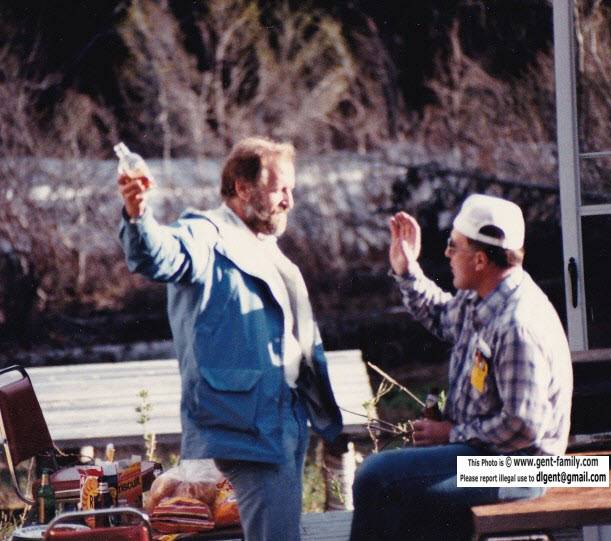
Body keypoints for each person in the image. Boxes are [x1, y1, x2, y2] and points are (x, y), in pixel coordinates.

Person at [118, 136, 342, 540]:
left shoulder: (264, 245)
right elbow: (159, 255)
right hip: (247, 430)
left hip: (286, 421)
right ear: (243, 188)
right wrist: (138, 216)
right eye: (279, 190)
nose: (289, 201)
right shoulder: (205, 234)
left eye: (291, 190)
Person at [350, 194, 573, 540]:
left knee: (376, 477)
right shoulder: (481, 296)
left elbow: (524, 426)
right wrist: (407, 270)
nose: (446, 253)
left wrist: (450, 433)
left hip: (521, 470)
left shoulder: (517, 325)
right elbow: (442, 317)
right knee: (397, 494)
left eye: (454, 246)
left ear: (480, 260)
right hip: (484, 453)